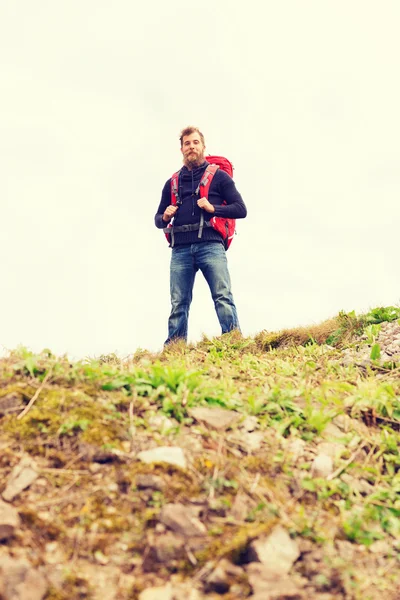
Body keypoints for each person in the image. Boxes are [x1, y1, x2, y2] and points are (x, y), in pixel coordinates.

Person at [154, 126, 247, 345]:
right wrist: (165, 217)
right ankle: (175, 348)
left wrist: (214, 209)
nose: (191, 147)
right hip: (180, 249)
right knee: (178, 303)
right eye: (187, 143)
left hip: (211, 245)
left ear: (203, 147)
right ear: (181, 149)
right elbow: (158, 220)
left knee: (222, 296)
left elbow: (241, 209)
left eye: (195, 142)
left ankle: (233, 341)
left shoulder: (220, 178)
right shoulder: (172, 183)